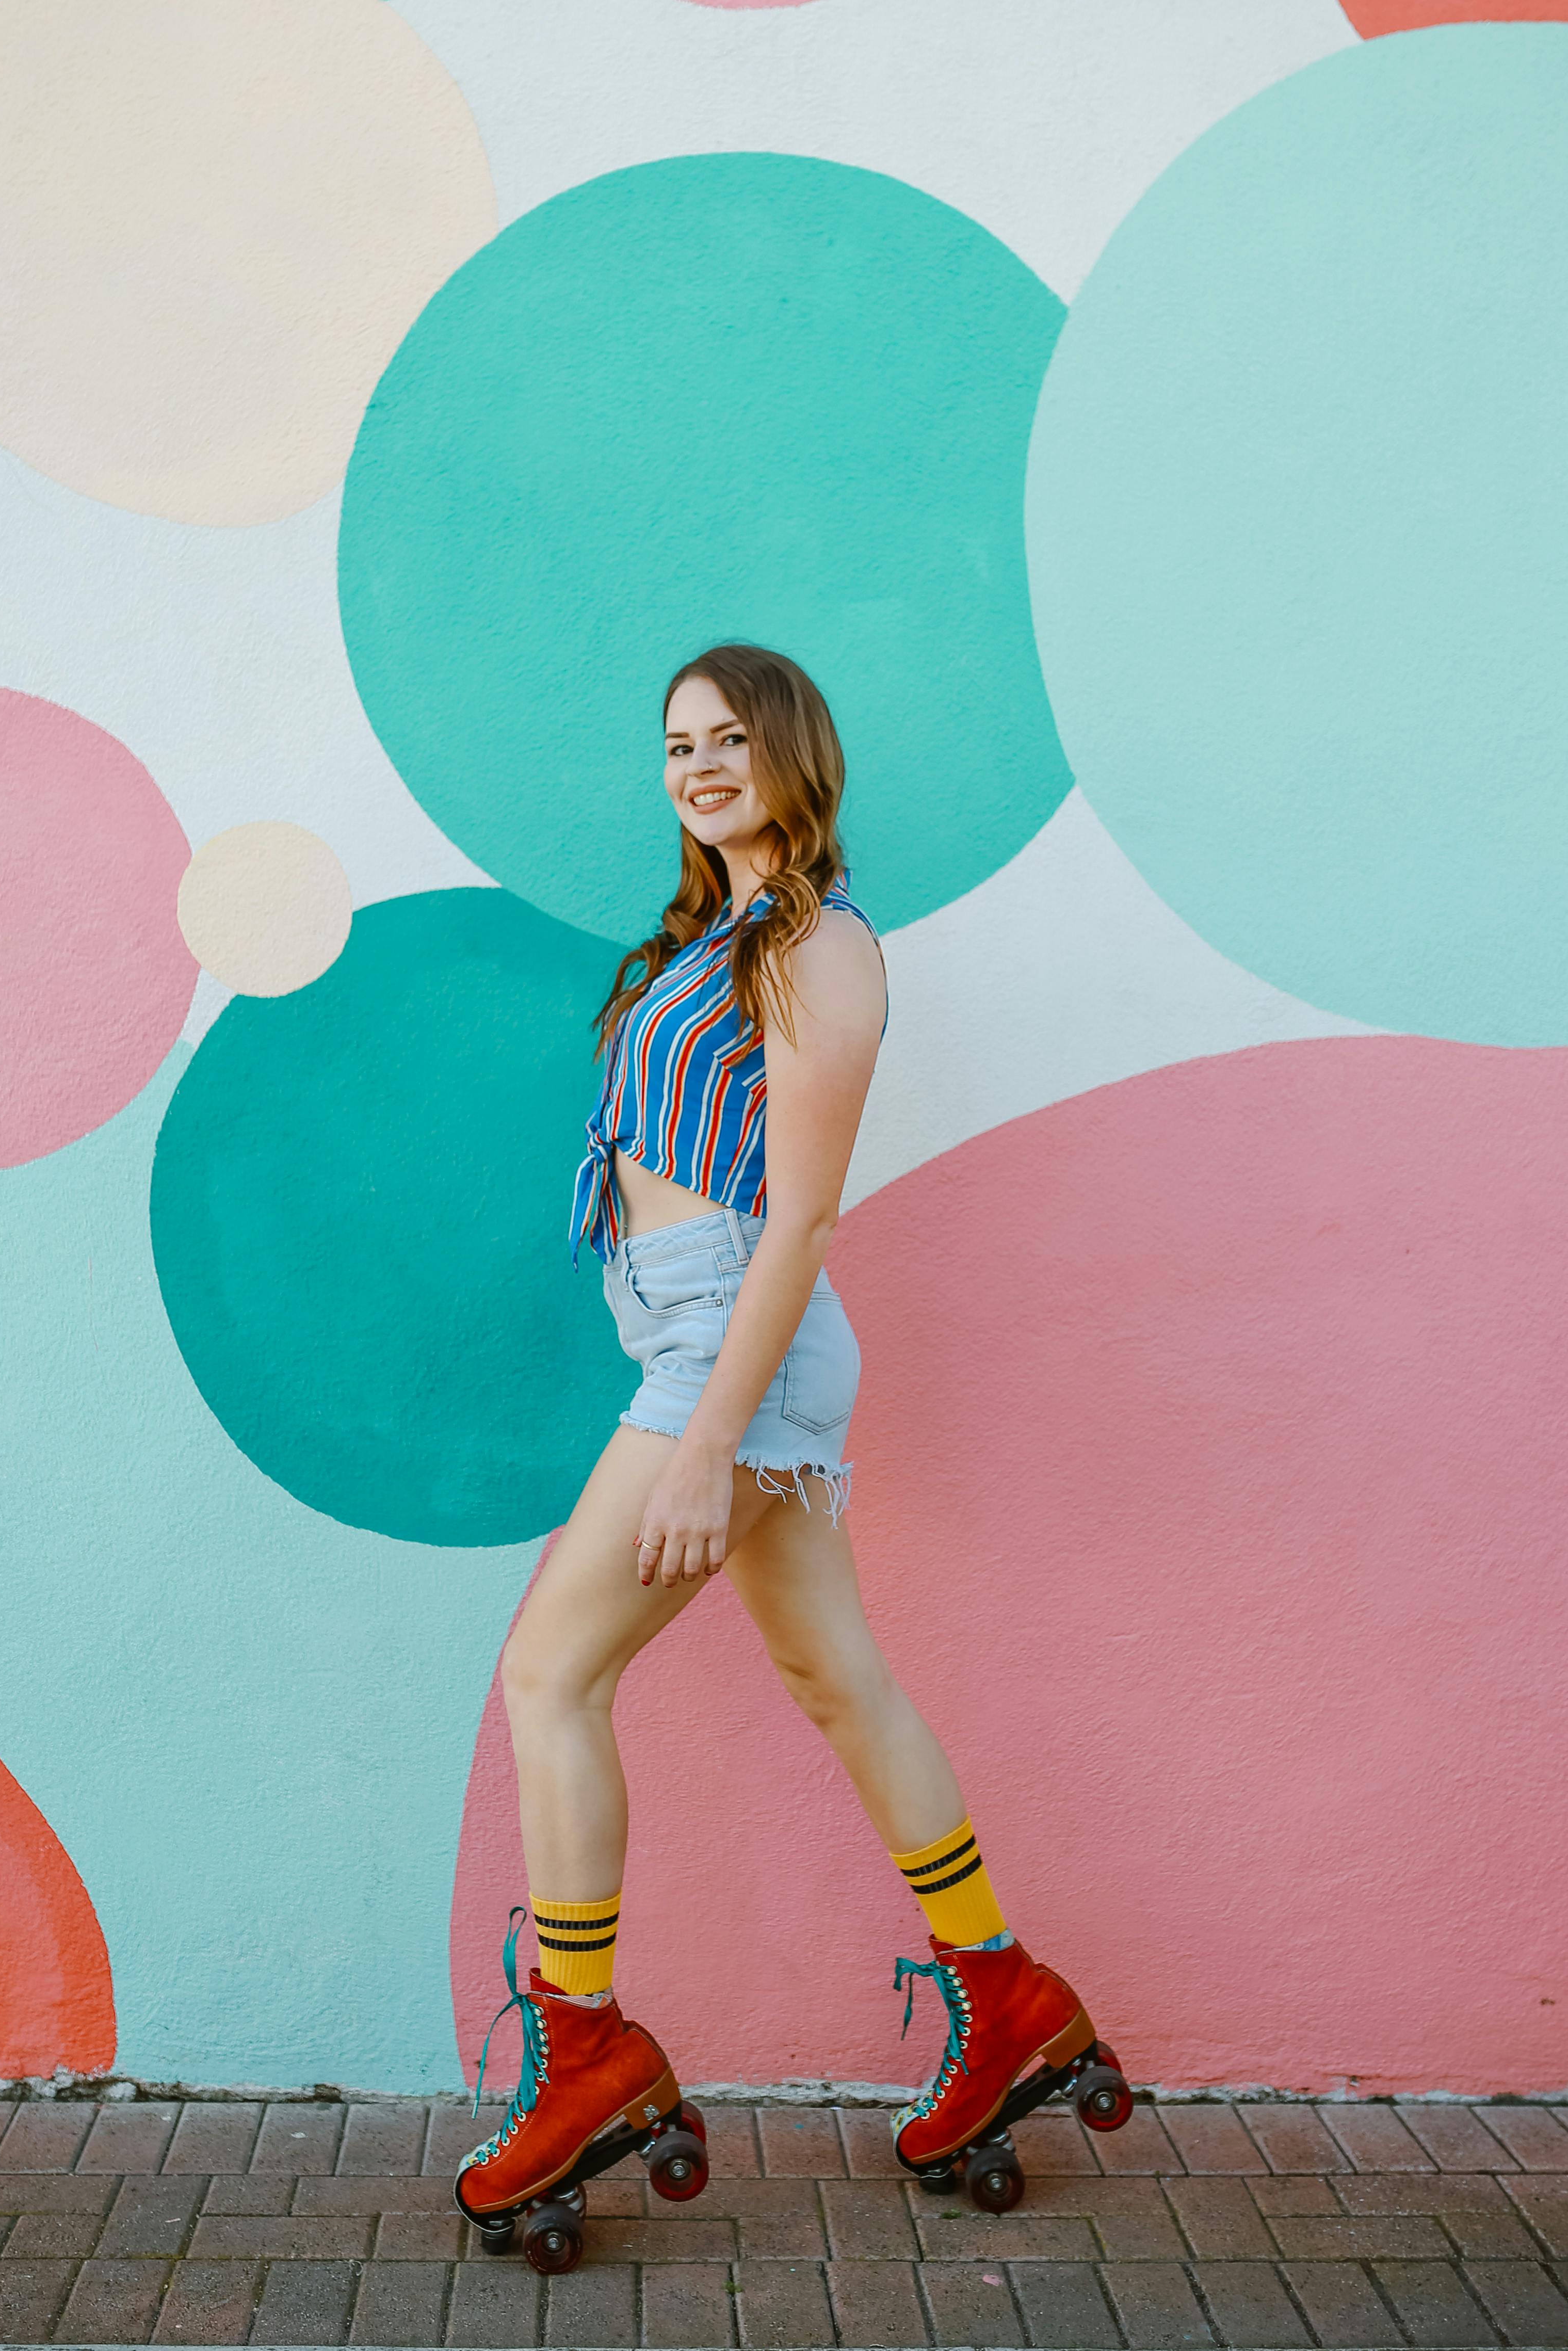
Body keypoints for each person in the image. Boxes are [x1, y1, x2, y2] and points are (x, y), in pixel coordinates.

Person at [455, 643, 1109, 2231]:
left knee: (552, 1675)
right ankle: (1005, 1991)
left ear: (792, 751)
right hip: (707, 1339)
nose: (697, 764)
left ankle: (587, 2047)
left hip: (730, 1344)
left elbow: (799, 1209)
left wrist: (704, 1442)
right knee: (836, 1674)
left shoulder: (821, 946)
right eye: (676, 743)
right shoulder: (712, 941)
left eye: (729, 736)